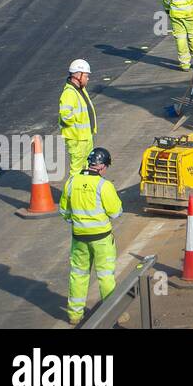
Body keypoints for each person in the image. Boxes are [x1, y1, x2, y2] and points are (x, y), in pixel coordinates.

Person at [59, 147, 122, 325]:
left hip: (79, 238)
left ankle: (74, 314)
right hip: (102, 239)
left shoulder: (72, 182)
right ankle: (113, 313)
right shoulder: (104, 186)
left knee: (78, 274)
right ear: (102, 167)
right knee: (105, 276)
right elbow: (116, 212)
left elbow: (64, 211)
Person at [58, 59, 97, 176]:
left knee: (86, 168)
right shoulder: (69, 93)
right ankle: (71, 193)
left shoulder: (80, 90)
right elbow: (65, 116)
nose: (88, 78)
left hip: (85, 137)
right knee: (76, 170)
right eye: (86, 76)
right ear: (78, 75)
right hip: (77, 139)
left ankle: (81, 192)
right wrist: (76, 123)